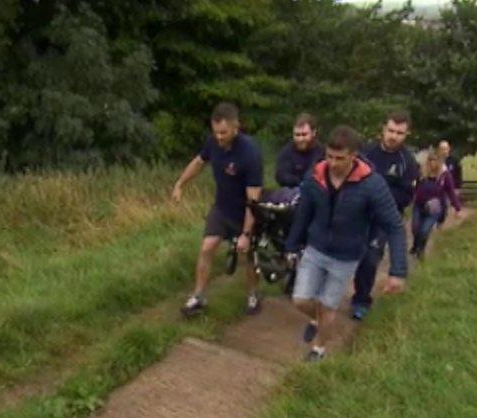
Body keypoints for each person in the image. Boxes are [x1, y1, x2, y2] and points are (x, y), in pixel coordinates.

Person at [285, 125, 409, 362]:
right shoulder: (315, 177)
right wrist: (292, 246)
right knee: (300, 299)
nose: (332, 163)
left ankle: (319, 348)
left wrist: (398, 271)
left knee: (329, 306)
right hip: (316, 248)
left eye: (339, 158)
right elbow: (303, 213)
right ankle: (316, 319)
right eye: (329, 156)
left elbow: (394, 225)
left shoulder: (372, 184)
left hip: (346, 256)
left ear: (353, 156)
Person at [172, 102, 264, 317]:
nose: (219, 137)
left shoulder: (250, 153)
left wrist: (246, 233)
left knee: (248, 254)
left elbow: (254, 198)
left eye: (223, 132)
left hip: (246, 210)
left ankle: (252, 294)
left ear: (236, 127)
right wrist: (180, 184)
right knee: (207, 247)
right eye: (216, 132)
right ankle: (199, 296)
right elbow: (198, 162)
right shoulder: (213, 143)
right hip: (222, 207)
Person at [350, 110, 419, 321]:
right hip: (358, 212)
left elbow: (406, 196)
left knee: (370, 258)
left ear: (406, 134)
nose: (393, 136)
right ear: (383, 129)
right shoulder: (366, 152)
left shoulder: (407, 162)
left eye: (399, 132)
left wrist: (379, 197)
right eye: (391, 130)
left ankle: (361, 299)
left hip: (383, 218)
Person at [411, 147, 463, 259]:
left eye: (435, 160)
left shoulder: (444, 176)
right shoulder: (421, 173)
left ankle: (421, 250)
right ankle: (416, 244)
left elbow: (451, 192)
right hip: (419, 205)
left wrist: (457, 208)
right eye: (430, 160)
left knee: (425, 230)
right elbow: (414, 187)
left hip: (434, 207)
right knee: (415, 227)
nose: (432, 163)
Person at [274, 113, 323, 192]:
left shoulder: (321, 152)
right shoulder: (286, 152)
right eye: (297, 135)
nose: (300, 139)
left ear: (313, 133)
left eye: (304, 135)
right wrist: (300, 182)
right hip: (292, 192)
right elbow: (281, 176)